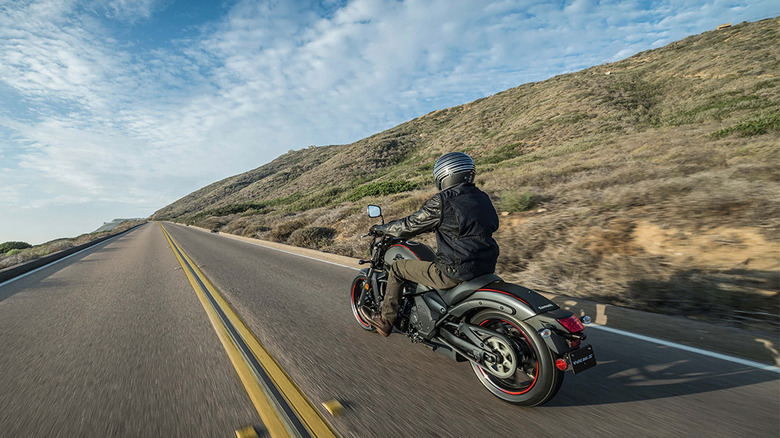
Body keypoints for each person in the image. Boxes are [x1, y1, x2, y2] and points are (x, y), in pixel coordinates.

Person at [359, 152, 500, 337]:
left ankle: (386, 320)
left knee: (398, 268)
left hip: (454, 271)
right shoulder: (482, 197)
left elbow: (409, 225)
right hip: (486, 265)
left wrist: (382, 229)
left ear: (444, 176)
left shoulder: (443, 201)